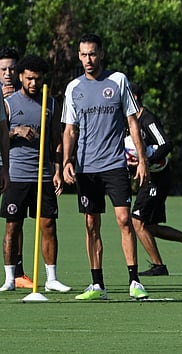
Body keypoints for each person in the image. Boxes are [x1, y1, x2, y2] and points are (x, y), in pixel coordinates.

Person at [62, 34, 149, 300]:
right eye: (83, 54)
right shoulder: (73, 87)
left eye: (92, 54)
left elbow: (132, 122)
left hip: (114, 163)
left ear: (101, 54)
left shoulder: (118, 81)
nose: (88, 59)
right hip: (86, 167)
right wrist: (66, 161)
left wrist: (142, 159)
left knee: (124, 220)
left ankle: (134, 281)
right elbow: (70, 129)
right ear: (79, 56)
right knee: (91, 224)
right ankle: (97, 284)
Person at [0, 54, 71, 292]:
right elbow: (1, 138)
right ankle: (10, 278)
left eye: (37, 79)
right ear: (21, 77)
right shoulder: (9, 103)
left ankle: (51, 278)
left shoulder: (50, 103)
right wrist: (15, 132)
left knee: (48, 225)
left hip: (43, 176)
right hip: (17, 176)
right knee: (13, 226)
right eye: (29, 78)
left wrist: (58, 169)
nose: (33, 83)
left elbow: (56, 141)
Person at [128, 83, 182, 276]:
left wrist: (145, 161)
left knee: (137, 221)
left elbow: (166, 144)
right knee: (150, 227)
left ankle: (159, 266)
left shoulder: (147, 119)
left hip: (158, 178)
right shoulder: (127, 120)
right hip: (150, 177)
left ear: (135, 99)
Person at [0, 47, 33, 289]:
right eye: (4, 69)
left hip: (11, 166)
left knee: (15, 220)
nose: (8, 73)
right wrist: (15, 131)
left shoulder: (22, 96)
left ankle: (18, 271)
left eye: (12, 68)